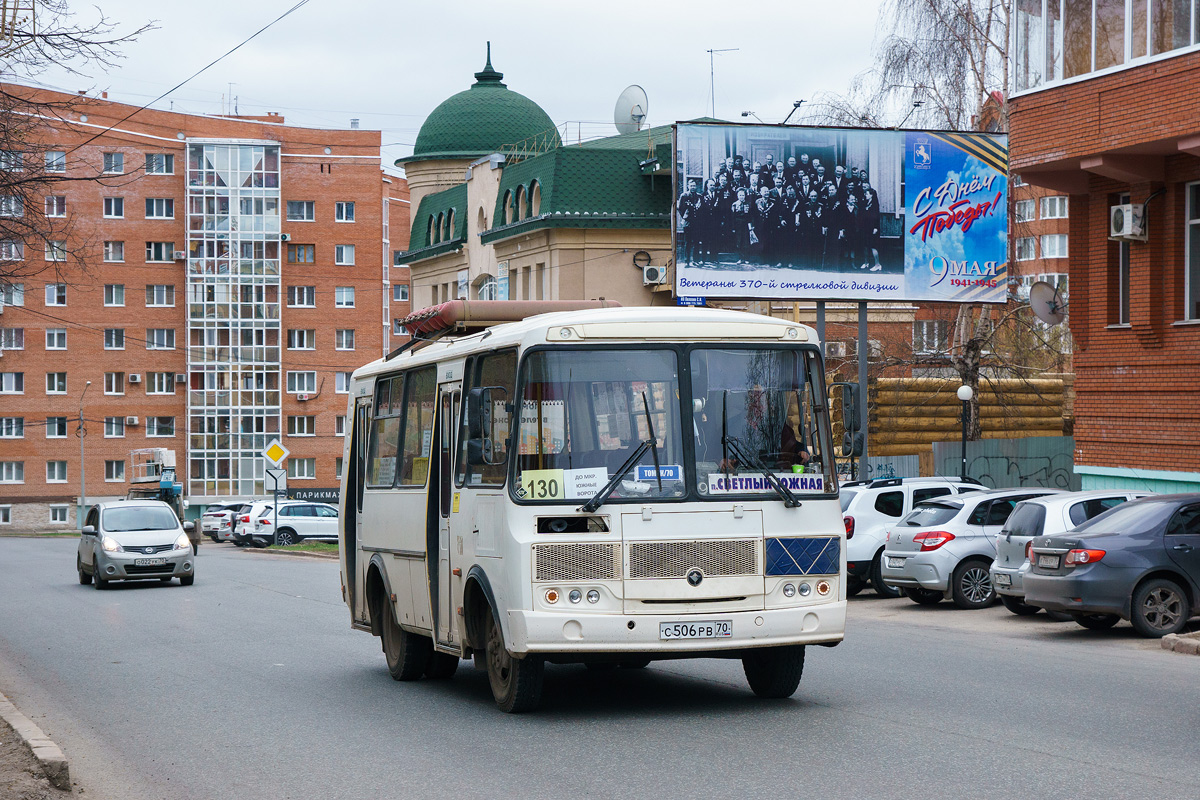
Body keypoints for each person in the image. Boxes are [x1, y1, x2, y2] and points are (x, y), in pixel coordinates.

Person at [676, 179, 701, 264]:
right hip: (688, 222)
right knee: (688, 242)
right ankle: (687, 261)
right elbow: (680, 208)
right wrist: (685, 217)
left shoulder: (699, 196)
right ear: (688, 186)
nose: (693, 187)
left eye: (694, 186)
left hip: (697, 223)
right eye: (691, 186)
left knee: (696, 242)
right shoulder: (684, 196)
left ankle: (696, 260)